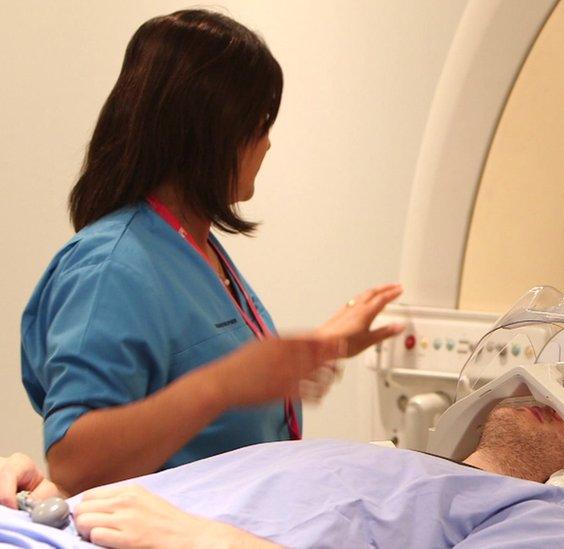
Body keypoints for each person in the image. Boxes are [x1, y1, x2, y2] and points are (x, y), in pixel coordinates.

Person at [20, 9, 403, 497]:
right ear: (209, 129)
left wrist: (322, 345)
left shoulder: (192, 244)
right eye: (260, 123)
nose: (267, 143)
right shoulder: (111, 265)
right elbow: (76, 464)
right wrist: (219, 386)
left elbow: (217, 365)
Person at [0, 401, 564, 548]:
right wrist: (41, 489)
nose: (548, 395)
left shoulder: (554, 512)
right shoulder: (389, 459)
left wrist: (220, 543)